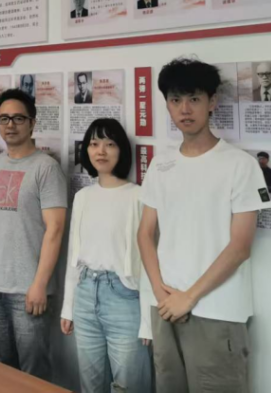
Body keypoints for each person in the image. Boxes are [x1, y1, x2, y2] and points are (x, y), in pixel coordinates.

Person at [138, 58, 271, 392]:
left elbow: (240, 247)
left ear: (212, 102)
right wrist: (161, 294)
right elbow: (145, 234)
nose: (185, 109)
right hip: (165, 306)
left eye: (194, 99)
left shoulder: (240, 165)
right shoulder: (161, 164)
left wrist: (189, 297)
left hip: (217, 311)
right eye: (176, 100)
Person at [0, 88, 67, 380]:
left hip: (28, 289)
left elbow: (55, 229)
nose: (10, 125)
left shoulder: (46, 168)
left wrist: (39, 284)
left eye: (18, 118)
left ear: (32, 123)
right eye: (3, 118)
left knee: (33, 372)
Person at [61, 119, 152, 393]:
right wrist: (68, 307)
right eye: (94, 144)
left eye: (110, 144)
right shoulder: (83, 196)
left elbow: (148, 262)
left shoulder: (138, 196)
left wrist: (148, 322)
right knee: (91, 385)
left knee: (129, 385)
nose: (101, 151)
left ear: (121, 150)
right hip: (85, 294)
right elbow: (74, 256)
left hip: (124, 298)